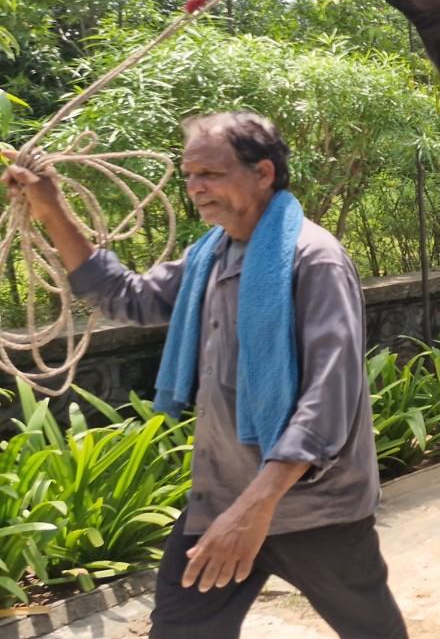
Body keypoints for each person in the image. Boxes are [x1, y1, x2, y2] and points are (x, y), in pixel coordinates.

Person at [2, 112, 406, 639]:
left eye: (210, 174)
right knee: (180, 629)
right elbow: (127, 296)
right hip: (220, 499)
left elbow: (328, 399)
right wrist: (51, 206)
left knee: (371, 632)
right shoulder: (209, 256)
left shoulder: (315, 259)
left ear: (263, 173)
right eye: (189, 175)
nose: (194, 187)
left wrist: (254, 510)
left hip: (314, 511)